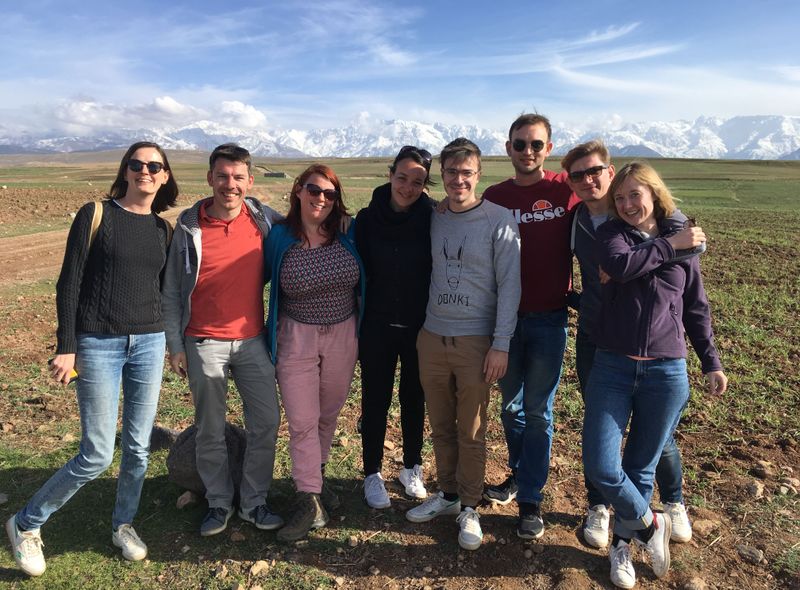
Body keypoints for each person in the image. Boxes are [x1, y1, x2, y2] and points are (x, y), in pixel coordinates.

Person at [6, 142, 177, 576]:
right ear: (126, 171)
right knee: (98, 453)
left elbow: (163, 291)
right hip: (98, 344)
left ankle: (123, 524)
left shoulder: (163, 229)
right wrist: (67, 345)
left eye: (154, 166)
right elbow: (70, 282)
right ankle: (26, 523)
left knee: (138, 448)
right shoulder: (95, 214)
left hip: (149, 343)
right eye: (136, 164)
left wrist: (172, 342)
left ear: (164, 176)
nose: (145, 171)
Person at [582, 161, 728, 588]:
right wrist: (672, 246)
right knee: (602, 465)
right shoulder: (610, 234)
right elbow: (620, 265)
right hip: (613, 364)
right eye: (620, 197)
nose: (627, 204)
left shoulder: (684, 237)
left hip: (667, 369)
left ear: (654, 193)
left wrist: (711, 360)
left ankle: (621, 546)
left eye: (635, 195)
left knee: (641, 468)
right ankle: (651, 524)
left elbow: (695, 306)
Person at [562, 141, 701, 550]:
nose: (588, 180)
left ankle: (672, 501)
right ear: (569, 182)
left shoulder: (660, 217)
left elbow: (686, 241)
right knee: (600, 428)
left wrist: (686, 244)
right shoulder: (577, 221)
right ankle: (601, 507)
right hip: (597, 336)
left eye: (595, 171)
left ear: (611, 171)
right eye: (577, 175)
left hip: (655, 345)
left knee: (656, 435)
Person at [161, 143, 284, 537]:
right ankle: (217, 502)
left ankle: (253, 502)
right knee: (209, 428)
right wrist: (174, 345)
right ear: (210, 178)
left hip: (252, 341)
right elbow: (172, 290)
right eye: (222, 176)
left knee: (266, 421)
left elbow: (308, 228)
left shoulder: (264, 219)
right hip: (202, 342)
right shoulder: (188, 226)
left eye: (237, 177)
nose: (229, 185)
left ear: (250, 180)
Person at [405, 138, 521, 551]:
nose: (459, 180)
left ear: (478, 175)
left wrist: (500, 343)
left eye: (467, 173)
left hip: (476, 340)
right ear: (442, 176)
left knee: (471, 428)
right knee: (440, 424)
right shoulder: (435, 216)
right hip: (432, 336)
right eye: (452, 173)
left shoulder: (499, 220)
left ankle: (471, 504)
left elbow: (510, 286)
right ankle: (450, 494)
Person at [481, 113, 580, 539]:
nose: (527, 151)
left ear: (549, 148)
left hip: (549, 318)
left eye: (535, 144)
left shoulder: (566, 190)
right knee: (510, 408)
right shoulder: (494, 196)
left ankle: (531, 499)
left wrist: (679, 229)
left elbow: (627, 202)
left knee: (538, 411)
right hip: (504, 320)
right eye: (519, 144)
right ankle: (521, 474)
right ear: (508, 148)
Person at [263, 164, 365, 542]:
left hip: (343, 333)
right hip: (296, 337)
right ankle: (307, 498)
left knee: (328, 413)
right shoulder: (277, 238)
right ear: (299, 192)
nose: (320, 198)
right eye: (314, 190)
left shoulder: (349, 233)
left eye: (329, 193)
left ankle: (317, 482)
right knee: (302, 419)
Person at [355, 146, 436, 508]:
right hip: (376, 325)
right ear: (390, 174)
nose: (407, 187)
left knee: (414, 399)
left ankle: (411, 467)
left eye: (417, 181)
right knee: (375, 398)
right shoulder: (366, 219)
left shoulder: (434, 217)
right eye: (402, 177)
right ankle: (372, 472)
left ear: (425, 184)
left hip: (420, 326)